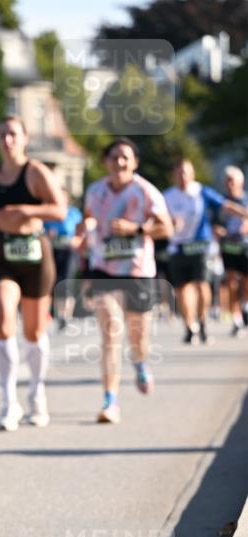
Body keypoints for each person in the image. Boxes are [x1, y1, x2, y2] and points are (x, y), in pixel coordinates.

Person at [0, 116, 66, 429]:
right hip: (1, 253)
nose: (7, 140)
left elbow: (60, 209)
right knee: (2, 325)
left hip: (34, 254)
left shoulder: (36, 172)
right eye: (2, 133)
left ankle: (37, 394)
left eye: (13, 134)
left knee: (33, 331)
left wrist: (27, 211)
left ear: (25, 138)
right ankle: (8, 400)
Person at [79, 137, 172, 424]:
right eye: (114, 157)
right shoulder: (95, 191)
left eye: (125, 158)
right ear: (106, 161)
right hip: (103, 269)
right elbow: (87, 220)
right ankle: (110, 401)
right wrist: (85, 230)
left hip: (137, 270)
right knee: (110, 332)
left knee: (138, 335)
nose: (119, 162)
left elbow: (166, 228)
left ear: (134, 163)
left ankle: (141, 361)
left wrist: (137, 228)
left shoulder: (145, 192)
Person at [163, 159, 247, 344]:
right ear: (174, 175)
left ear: (192, 174)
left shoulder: (201, 191)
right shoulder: (167, 196)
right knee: (182, 288)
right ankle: (189, 326)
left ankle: (202, 321)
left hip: (201, 245)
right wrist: (170, 223)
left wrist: (244, 214)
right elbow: (159, 218)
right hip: (178, 247)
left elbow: (226, 205)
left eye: (186, 172)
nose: (183, 177)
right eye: (179, 173)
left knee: (202, 284)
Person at [216, 165, 248, 337]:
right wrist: (219, 231)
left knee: (245, 281)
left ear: (240, 182)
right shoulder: (221, 202)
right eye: (227, 181)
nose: (229, 184)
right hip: (228, 246)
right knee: (231, 282)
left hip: (245, 245)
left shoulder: (245, 200)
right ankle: (236, 319)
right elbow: (215, 223)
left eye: (232, 181)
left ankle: (245, 307)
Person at [45, 191, 82, 331]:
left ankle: (65, 316)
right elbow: (41, 229)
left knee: (66, 281)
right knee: (52, 281)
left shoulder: (73, 213)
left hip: (69, 251)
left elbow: (82, 230)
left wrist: (77, 240)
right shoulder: (48, 213)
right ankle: (55, 314)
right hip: (52, 250)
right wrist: (47, 234)